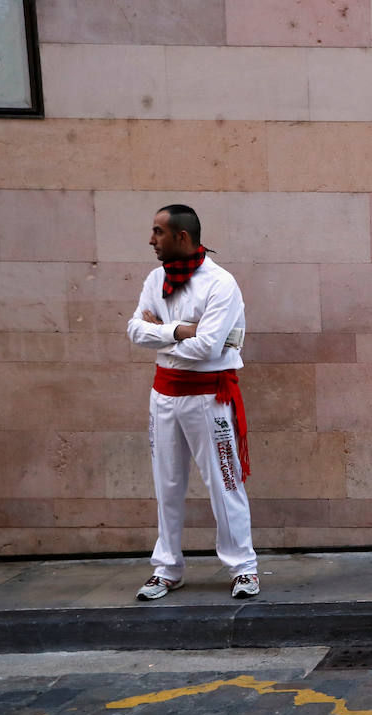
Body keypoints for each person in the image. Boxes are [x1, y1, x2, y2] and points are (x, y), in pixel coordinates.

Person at [126, 204, 260, 599]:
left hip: (208, 397)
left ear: (181, 237)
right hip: (163, 396)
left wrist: (162, 334)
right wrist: (182, 330)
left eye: (158, 232)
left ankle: (243, 568)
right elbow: (134, 329)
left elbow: (208, 348)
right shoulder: (155, 279)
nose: (151, 240)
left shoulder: (220, 284)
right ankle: (167, 567)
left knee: (224, 480)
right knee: (166, 484)